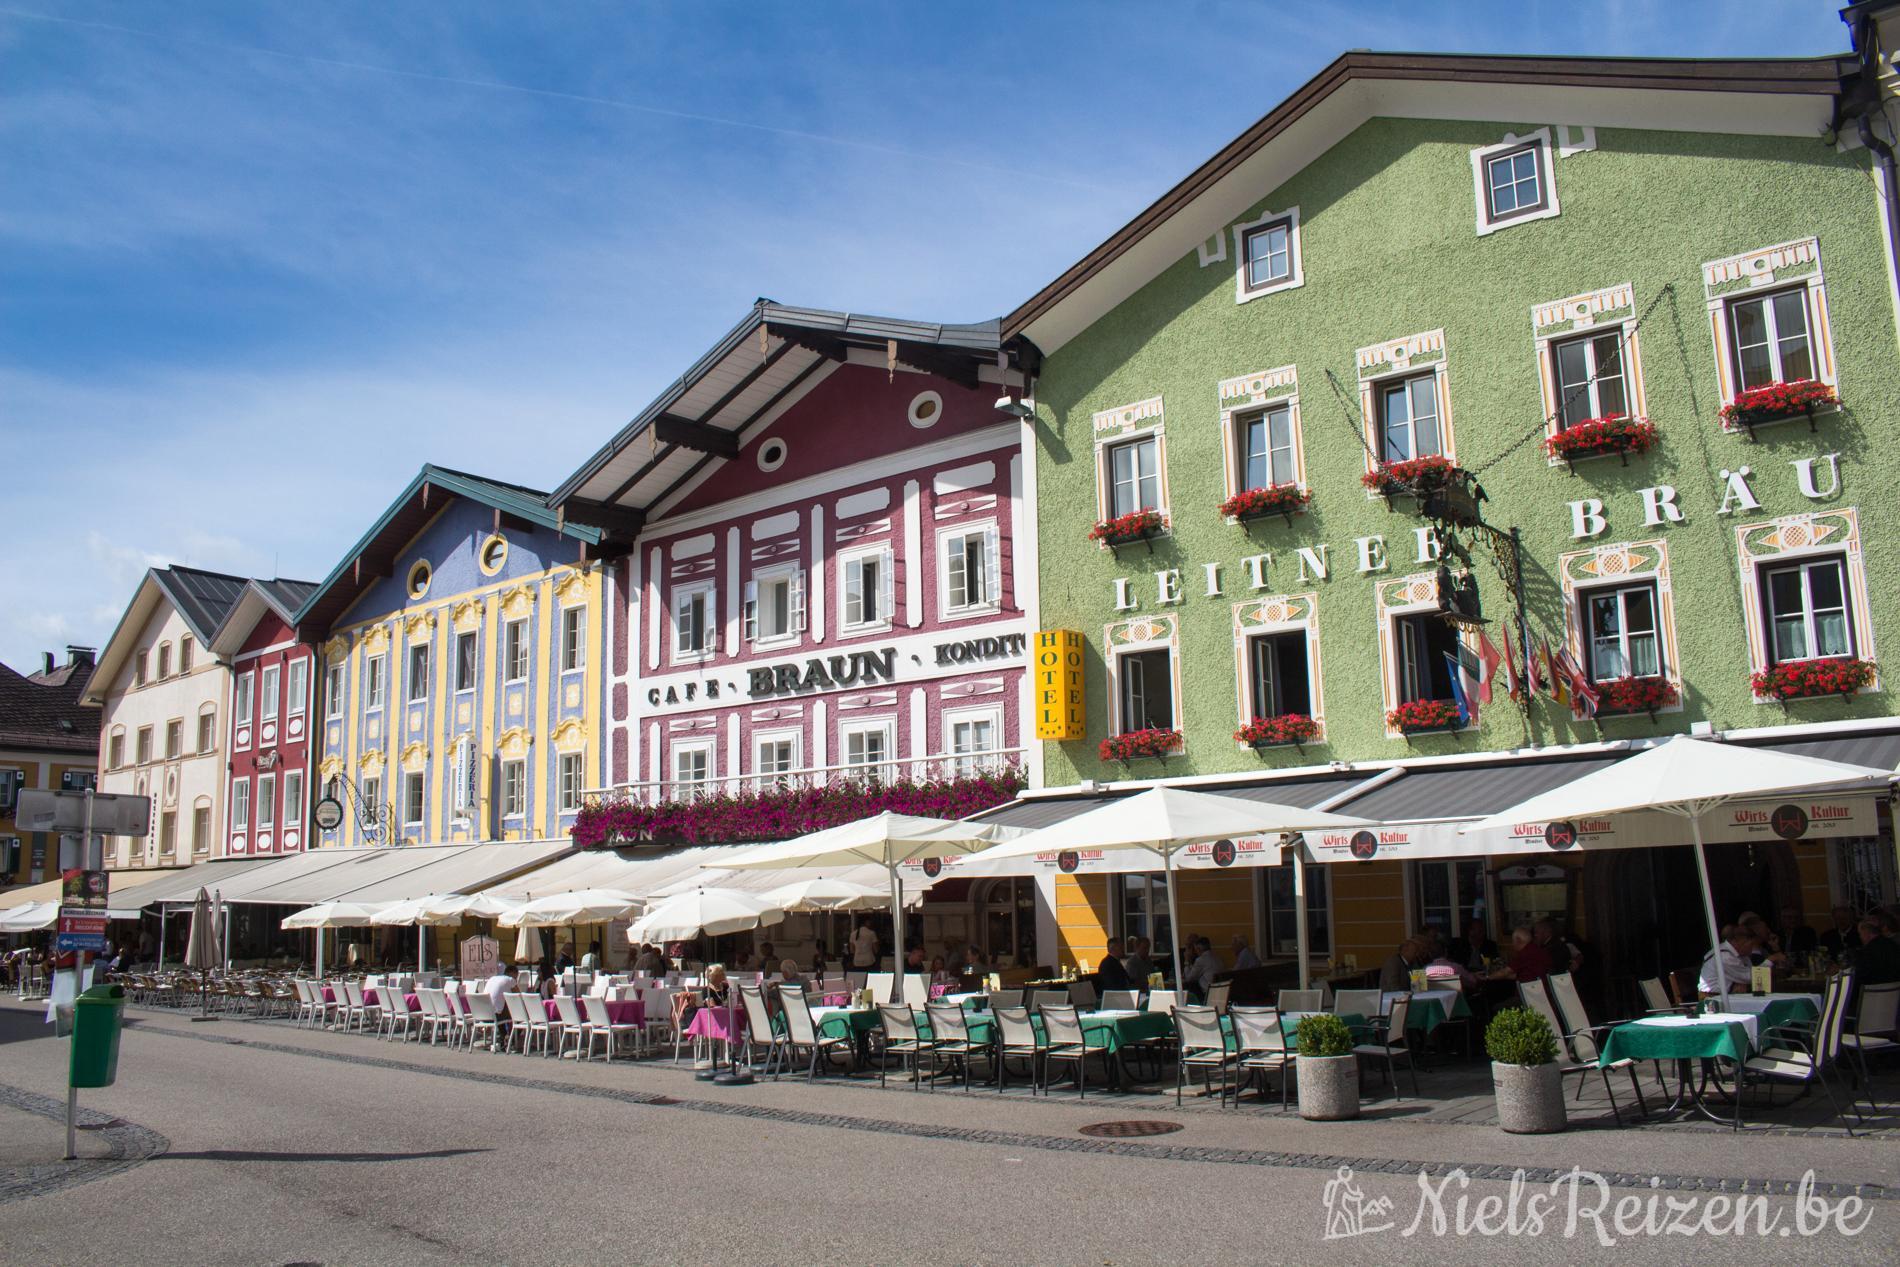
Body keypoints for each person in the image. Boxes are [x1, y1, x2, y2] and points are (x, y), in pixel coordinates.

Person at [1698, 927, 1756, 995]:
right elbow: (1750, 977)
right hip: (1713, 998)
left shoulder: (1741, 955)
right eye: (1751, 944)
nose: (1752, 948)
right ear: (1740, 941)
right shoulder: (1725, 956)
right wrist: (1769, 961)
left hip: (1725, 996)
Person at [1849, 916, 1900, 992]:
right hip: (1895, 994)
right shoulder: (1893, 945)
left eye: (1860, 934)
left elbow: (1859, 976)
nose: (1860, 937)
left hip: (1874, 994)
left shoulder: (1867, 952)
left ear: (1866, 932)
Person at [1181, 937, 1221, 1002]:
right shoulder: (1217, 958)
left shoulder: (1201, 960)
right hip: (1218, 992)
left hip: (1206, 994)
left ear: (1198, 949)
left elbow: (1189, 978)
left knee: (1187, 989)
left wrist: (1186, 961)